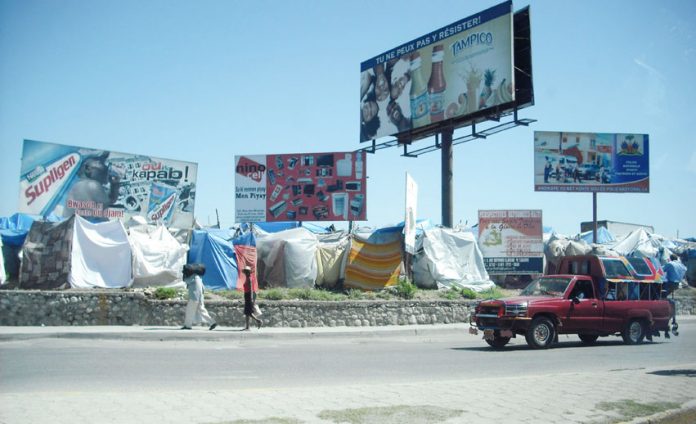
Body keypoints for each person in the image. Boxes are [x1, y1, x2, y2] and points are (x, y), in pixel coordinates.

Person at [181, 264, 217, 330]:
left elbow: (186, 281)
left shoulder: (192, 277)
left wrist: (184, 276)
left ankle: (187, 325)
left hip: (194, 297)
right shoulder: (199, 277)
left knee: (189, 311)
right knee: (202, 310)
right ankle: (212, 322)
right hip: (200, 297)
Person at [661, 254, 686, 338]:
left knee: (659, 294)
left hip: (670, 283)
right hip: (676, 284)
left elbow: (660, 270)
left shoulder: (670, 264)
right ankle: (672, 318)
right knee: (666, 296)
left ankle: (663, 312)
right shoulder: (682, 265)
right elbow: (685, 270)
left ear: (670, 258)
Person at [242, 265, 263, 330]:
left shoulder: (249, 278)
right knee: (247, 312)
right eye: (245, 271)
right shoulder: (247, 278)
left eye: (247, 271)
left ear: (249, 272)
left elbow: (251, 289)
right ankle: (247, 327)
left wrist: (251, 298)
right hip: (247, 295)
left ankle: (258, 321)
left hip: (249, 296)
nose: (246, 272)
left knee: (248, 312)